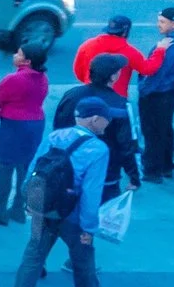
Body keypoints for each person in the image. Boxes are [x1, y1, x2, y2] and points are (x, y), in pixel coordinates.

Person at [11, 97, 120, 287]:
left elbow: (34, 168)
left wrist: (29, 200)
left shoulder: (54, 137)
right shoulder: (98, 149)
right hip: (73, 216)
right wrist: (89, 228)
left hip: (43, 210)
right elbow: (91, 193)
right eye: (106, 119)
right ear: (94, 119)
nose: (108, 123)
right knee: (83, 260)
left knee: (32, 257)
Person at [52, 52, 140, 200]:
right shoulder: (122, 105)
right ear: (113, 77)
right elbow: (127, 145)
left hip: (68, 167)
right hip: (105, 173)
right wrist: (134, 176)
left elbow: (58, 127)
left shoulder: (71, 95)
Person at [0, 42, 49, 223]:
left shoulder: (13, 79)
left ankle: (0, 210)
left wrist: (2, 110)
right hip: (35, 124)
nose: (14, 55)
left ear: (26, 61)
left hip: (14, 126)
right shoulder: (43, 78)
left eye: (18, 54)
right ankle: (18, 208)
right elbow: (27, 102)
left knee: (6, 167)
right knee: (24, 167)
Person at [133, 5, 174, 181]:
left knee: (152, 132)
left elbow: (158, 72)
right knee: (164, 129)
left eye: (162, 22)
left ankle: (152, 171)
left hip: (159, 93)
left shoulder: (173, 45)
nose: (158, 25)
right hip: (170, 92)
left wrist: (144, 90)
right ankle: (165, 167)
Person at [72, 15, 148, 97]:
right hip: (117, 98)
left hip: (90, 94)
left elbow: (78, 71)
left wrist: (87, 80)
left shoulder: (87, 45)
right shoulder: (130, 52)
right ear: (125, 32)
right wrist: (160, 50)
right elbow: (147, 69)